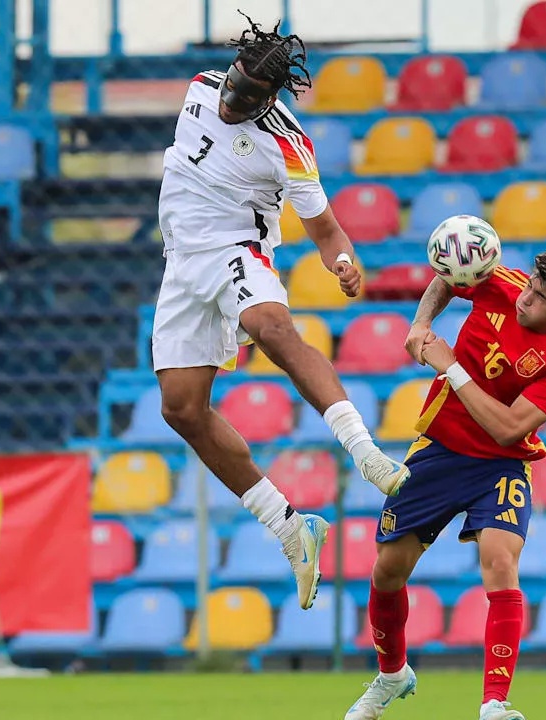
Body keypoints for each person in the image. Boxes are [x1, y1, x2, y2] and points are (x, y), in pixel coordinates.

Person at [152, 12, 410, 613]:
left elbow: (325, 230)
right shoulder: (200, 86)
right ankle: (291, 525)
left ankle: (365, 452)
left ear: (272, 98)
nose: (232, 101)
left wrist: (343, 262)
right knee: (180, 409)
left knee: (271, 328)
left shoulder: (287, 143)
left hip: (235, 252)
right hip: (180, 265)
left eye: (249, 98)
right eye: (233, 86)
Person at [344, 250, 546, 720]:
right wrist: (420, 325)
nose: (525, 299)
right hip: (439, 449)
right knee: (387, 571)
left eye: (539, 297)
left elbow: (508, 429)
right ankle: (392, 675)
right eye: (528, 287)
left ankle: (494, 704)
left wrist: (451, 367)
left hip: (501, 463)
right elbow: (446, 279)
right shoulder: (501, 281)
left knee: (500, 560)